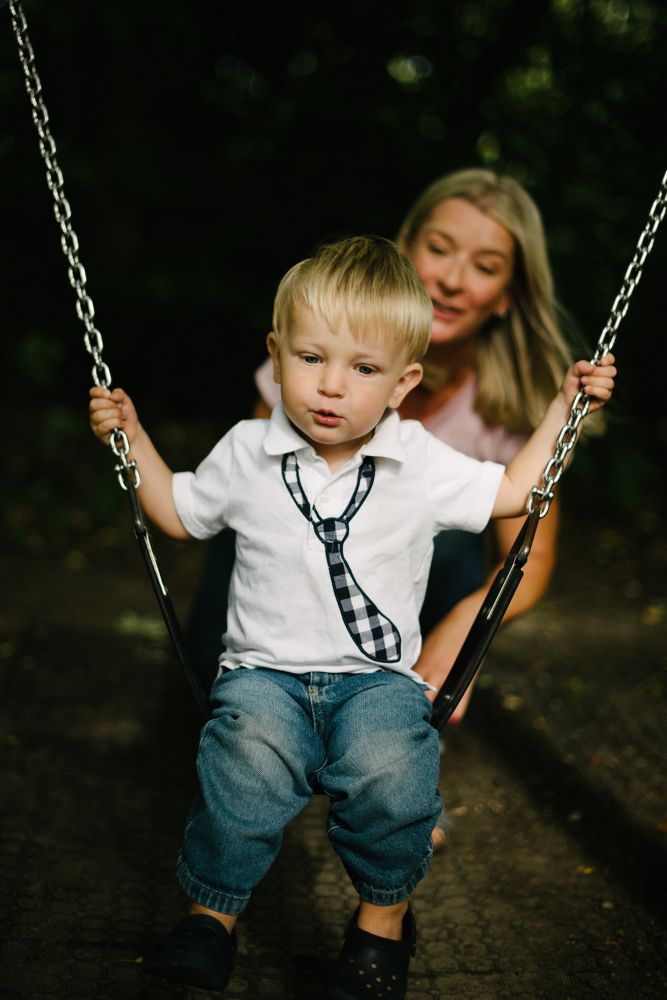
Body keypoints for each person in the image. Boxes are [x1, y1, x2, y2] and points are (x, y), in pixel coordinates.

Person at [89, 235, 615, 997]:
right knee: (240, 772)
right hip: (263, 673)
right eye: (310, 359)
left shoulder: (420, 461)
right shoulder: (247, 451)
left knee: (392, 779)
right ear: (276, 356)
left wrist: (563, 409)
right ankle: (210, 920)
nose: (330, 387)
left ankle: (380, 929)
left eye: (362, 369)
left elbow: (510, 493)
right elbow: (176, 512)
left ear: (402, 384)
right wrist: (131, 439)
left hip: (374, 680)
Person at [185, 168, 583, 849]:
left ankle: (389, 750)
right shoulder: (314, 359)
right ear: (404, 249)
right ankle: (252, 746)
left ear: (506, 296)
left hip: (398, 620)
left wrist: (463, 624)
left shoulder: (508, 404)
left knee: (454, 541)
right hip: (279, 598)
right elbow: (253, 483)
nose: (453, 279)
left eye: (484, 266)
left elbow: (530, 558)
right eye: (439, 248)